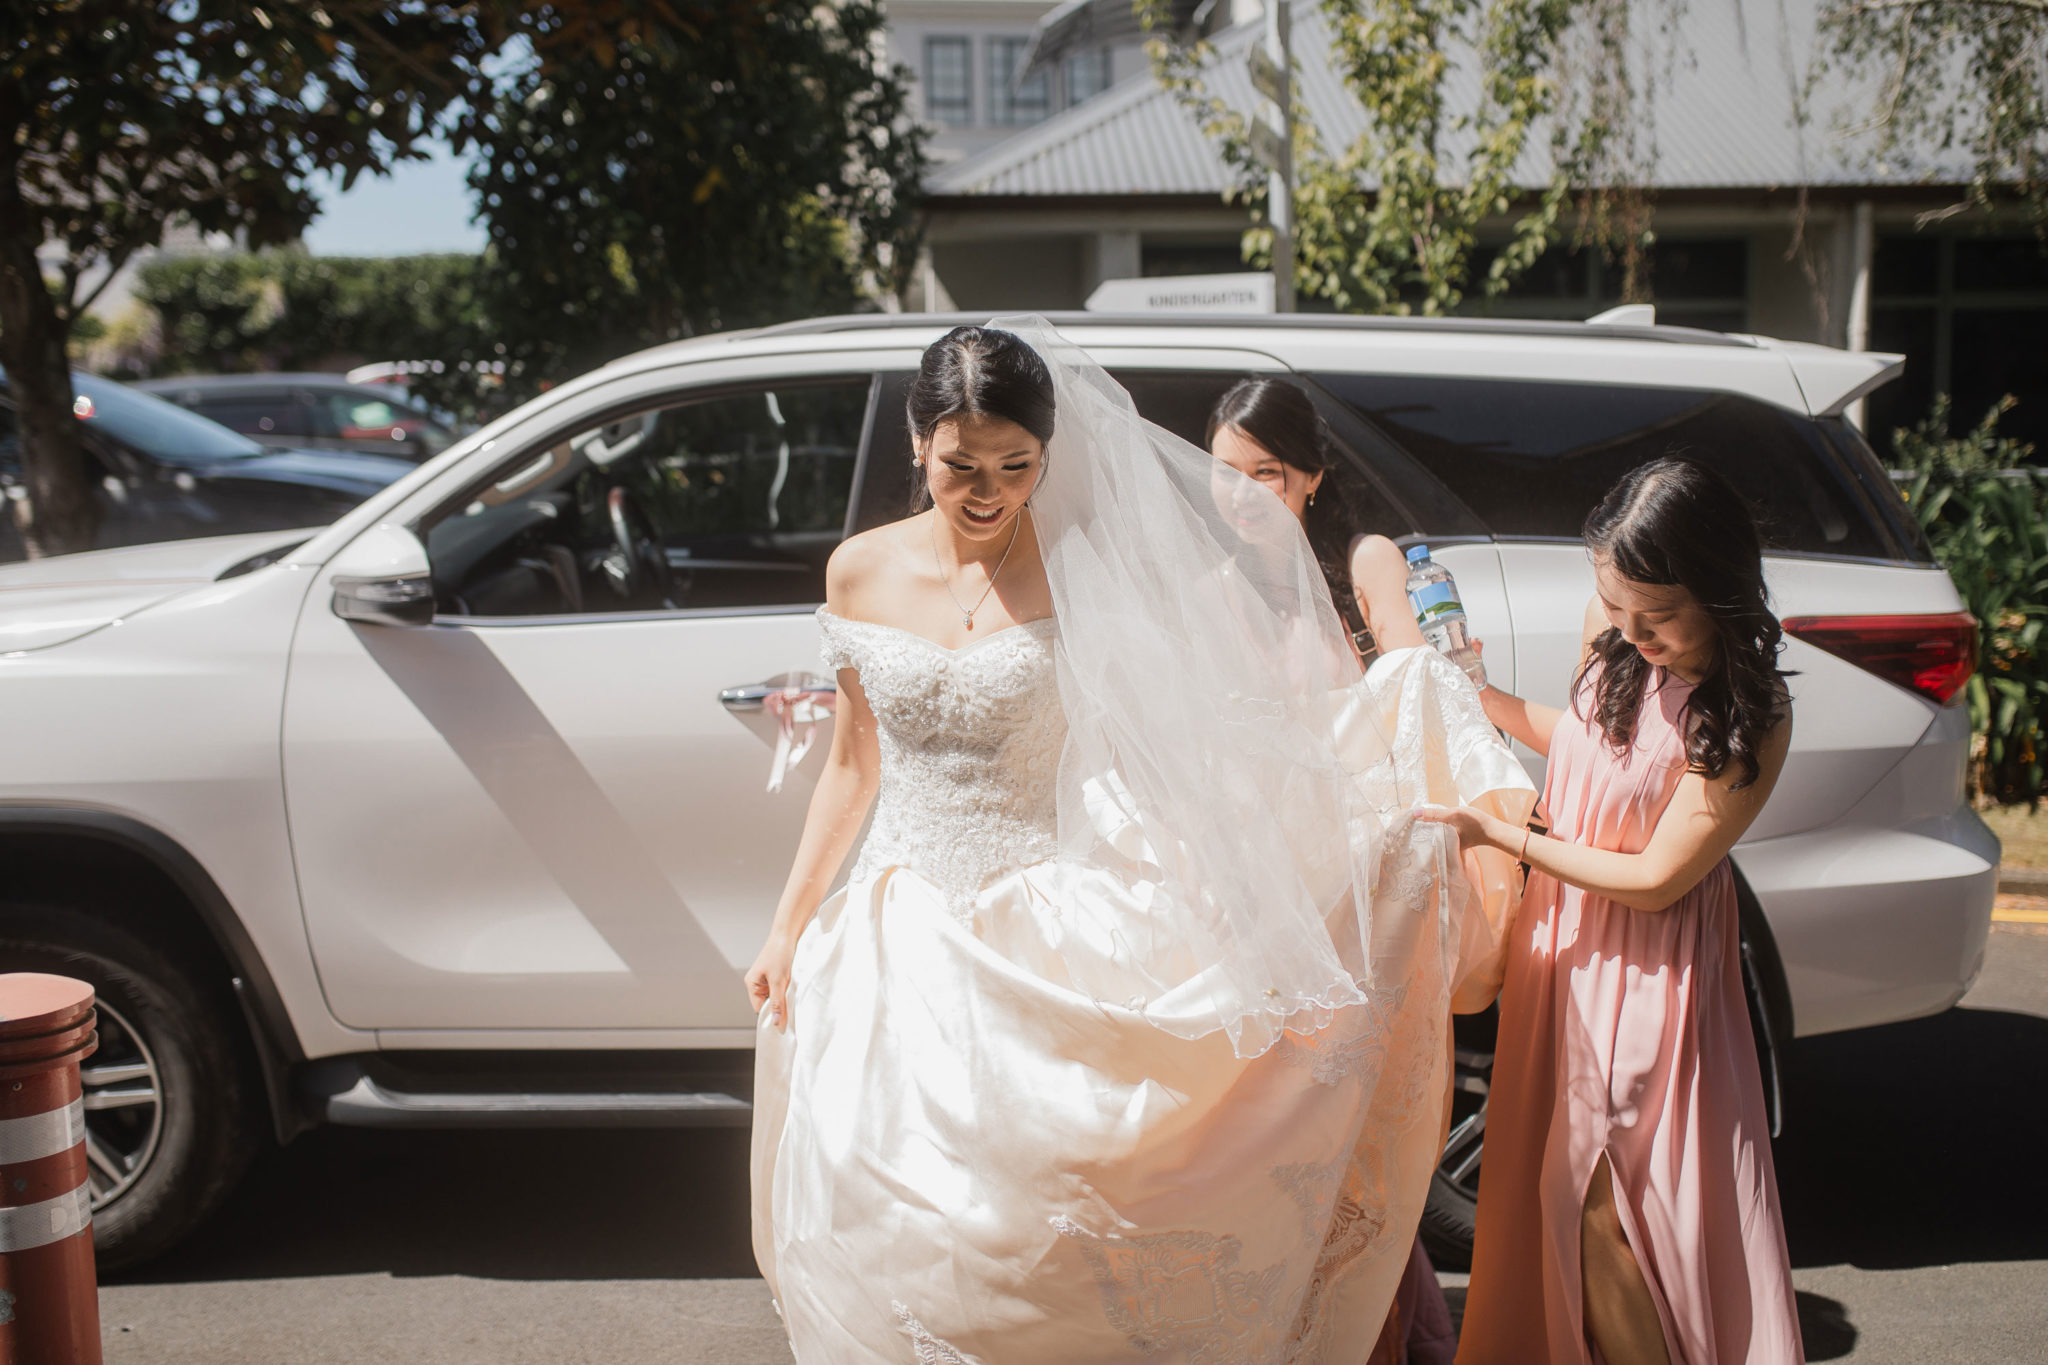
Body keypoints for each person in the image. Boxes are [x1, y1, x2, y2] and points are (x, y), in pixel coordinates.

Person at [746, 319, 1535, 1361]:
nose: (984, 491)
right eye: (958, 466)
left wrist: (1347, 830)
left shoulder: (1084, 577)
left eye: (1014, 467)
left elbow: (1193, 747)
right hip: (895, 933)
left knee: (1040, 1222)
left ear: (1047, 456)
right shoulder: (859, 573)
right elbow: (853, 766)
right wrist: (786, 925)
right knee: (881, 1209)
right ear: (916, 443)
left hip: (1039, 929)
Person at [1417, 458, 1804, 1364]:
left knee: (1606, 1204)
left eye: (1656, 616)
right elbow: (1594, 748)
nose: (1631, 632)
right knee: (1567, 1205)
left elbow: (1660, 877)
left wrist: (1496, 835)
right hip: (1563, 954)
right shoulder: (1620, 630)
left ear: (1715, 585)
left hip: (1651, 976)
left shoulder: (1752, 710)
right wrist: (1486, 704)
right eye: (1616, 609)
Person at [1206, 376, 1458, 1365]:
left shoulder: (1364, 561)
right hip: (1262, 882)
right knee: (1278, 1136)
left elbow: (1412, 682)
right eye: (1223, 476)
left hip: (1360, 872)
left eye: (1264, 475)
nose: (1241, 498)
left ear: (1309, 475)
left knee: (1356, 1123)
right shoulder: (1209, 587)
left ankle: (1378, 1335)